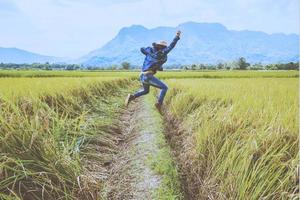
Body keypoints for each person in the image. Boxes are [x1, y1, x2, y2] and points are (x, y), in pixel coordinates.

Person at [125, 30, 182, 112]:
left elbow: (143, 50)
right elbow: (171, 46)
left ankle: (132, 96)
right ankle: (159, 104)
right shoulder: (162, 53)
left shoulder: (150, 51)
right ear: (163, 47)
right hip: (148, 76)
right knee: (164, 88)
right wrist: (177, 36)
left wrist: (157, 66)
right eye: (164, 47)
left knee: (146, 91)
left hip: (142, 75)